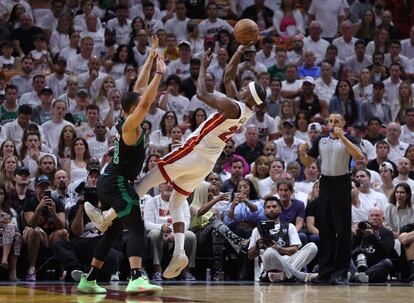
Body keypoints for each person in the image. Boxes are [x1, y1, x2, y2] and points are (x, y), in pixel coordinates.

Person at [86, 43, 267, 279]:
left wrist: (203, 67)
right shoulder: (245, 110)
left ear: (248, 95)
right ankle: (180, 251)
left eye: (246, 87)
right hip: (207, 161)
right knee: (178, 199)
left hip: (194, 151)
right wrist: (240, 50)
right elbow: (229, 75)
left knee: (145, 182)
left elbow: (202, 93)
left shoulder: (233, 106)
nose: (241, 87)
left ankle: (105, 218)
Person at [79, 37, 165, 295]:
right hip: (116, 183)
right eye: (139, 105)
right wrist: (159, 74)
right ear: (134, 108)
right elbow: (145, 100)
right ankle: (136, 277)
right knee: (136, 225)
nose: (144, 107)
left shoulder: (124, 117)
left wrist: (150, 58)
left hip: (110, 181)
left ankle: (90, 279)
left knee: (113, 231)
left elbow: (137, 88)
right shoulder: (129, 126)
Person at [298, 113, 364, 284]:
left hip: (342, 184)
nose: (333, 124)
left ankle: (341, 272)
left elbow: (358, 156)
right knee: (326, 229)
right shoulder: (321, 140)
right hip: (325, 183)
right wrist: (301, 152)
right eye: (330, 121)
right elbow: (307, 162)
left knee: (342, 231)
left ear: (343, 123)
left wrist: (342, 137)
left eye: (336, 121)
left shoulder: (350, 139)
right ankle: (325, 271)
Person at [248, 196, 318, 283]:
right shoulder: (257, 230)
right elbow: (250, 255)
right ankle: (300, 275)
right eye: (268, 207)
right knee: (270, 251)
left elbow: (294, 250)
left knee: (312, 247)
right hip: (269, 263)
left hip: (288, 261)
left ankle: (284, 275)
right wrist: (257, 247)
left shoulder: (289, 226)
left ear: (280, 209)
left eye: (274, 206)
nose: (271, 209)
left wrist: (279, 248)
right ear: (264, 210)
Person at [350, 207, 394, 283]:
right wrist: (356, 235)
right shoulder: (362, 232)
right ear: (368, 218)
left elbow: (386, 251)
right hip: (358, 264)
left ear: (383, 219)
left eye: (377, 216)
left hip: (374, 266)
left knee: (387, 262)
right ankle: (360, 277)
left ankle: (357, 277)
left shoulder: (387, 233)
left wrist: (373, 236)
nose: (374, 218)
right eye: (372, 215)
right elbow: (350, 252)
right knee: (344, 257)